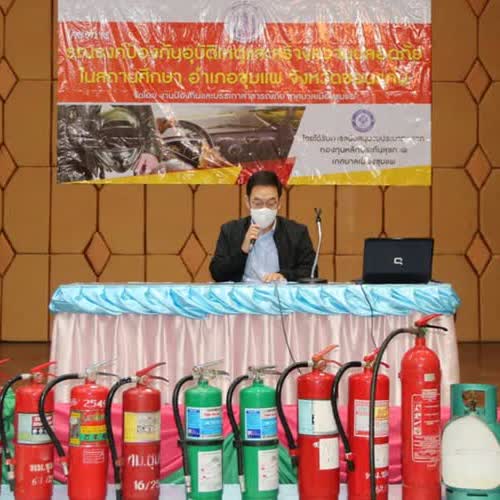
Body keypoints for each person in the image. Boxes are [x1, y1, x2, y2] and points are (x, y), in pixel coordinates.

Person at [210, 171, 316, 283]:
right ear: (247, 202)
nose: (264, 209)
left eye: (271, 203)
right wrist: (242, 251)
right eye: (258, 203)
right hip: (244, 293)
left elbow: (311, 271)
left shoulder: (297, 233)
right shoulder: (230, 231)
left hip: (280, 293)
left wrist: (284, 275)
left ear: (279, 203)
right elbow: (217, 273)